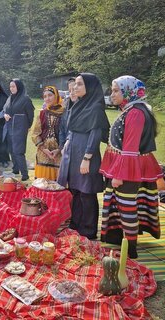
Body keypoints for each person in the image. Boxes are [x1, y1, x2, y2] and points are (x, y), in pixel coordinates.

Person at [99, 75, 162, 259]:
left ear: (129, 91)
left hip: (128, 168)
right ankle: (122, 240)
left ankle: (131, 248)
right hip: (126, 165)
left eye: (116, 90)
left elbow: (130, 148)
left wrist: (119, 175)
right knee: (122, 204)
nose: (113, 94)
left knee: (127, 206)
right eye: (112, 90)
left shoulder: (135, 113)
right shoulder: (132, 109)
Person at [56, 73, 110, 240]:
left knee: (87, 192)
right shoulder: (79, 104)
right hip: (73, 150)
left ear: (90, 87)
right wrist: (67, 142)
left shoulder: (95, 107)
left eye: (79, 84)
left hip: (86, 153)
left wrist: (87, 158)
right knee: (75, 190)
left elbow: (95, 133)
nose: (75, 87)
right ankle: (76, 224)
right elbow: (72, 127)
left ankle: (88, 229)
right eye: (75, 84)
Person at [2, 79, 34, 181]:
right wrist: (5, 115)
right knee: (11, 150)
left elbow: (30, 115)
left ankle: (25, 174)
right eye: (10, 86)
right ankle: (15, 169)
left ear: (19, 86)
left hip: (19, 128)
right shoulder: (9, 98)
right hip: (9, 128)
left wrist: (26, 126)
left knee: (18, 151)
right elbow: (5, 109)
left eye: (13, 86)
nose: (11, 88)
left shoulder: (25, 99)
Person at [31, 86, 64, 180]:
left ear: (56, 96)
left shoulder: (65, 113)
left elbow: (67, 133)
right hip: (43, 154)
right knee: (43, 184)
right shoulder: (42, 114)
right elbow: (35, 133)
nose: (47, 98)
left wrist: (58, 150)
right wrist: (44, 149)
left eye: (50, 95)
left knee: (57, 185)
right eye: (45, 96)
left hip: (59, 154)